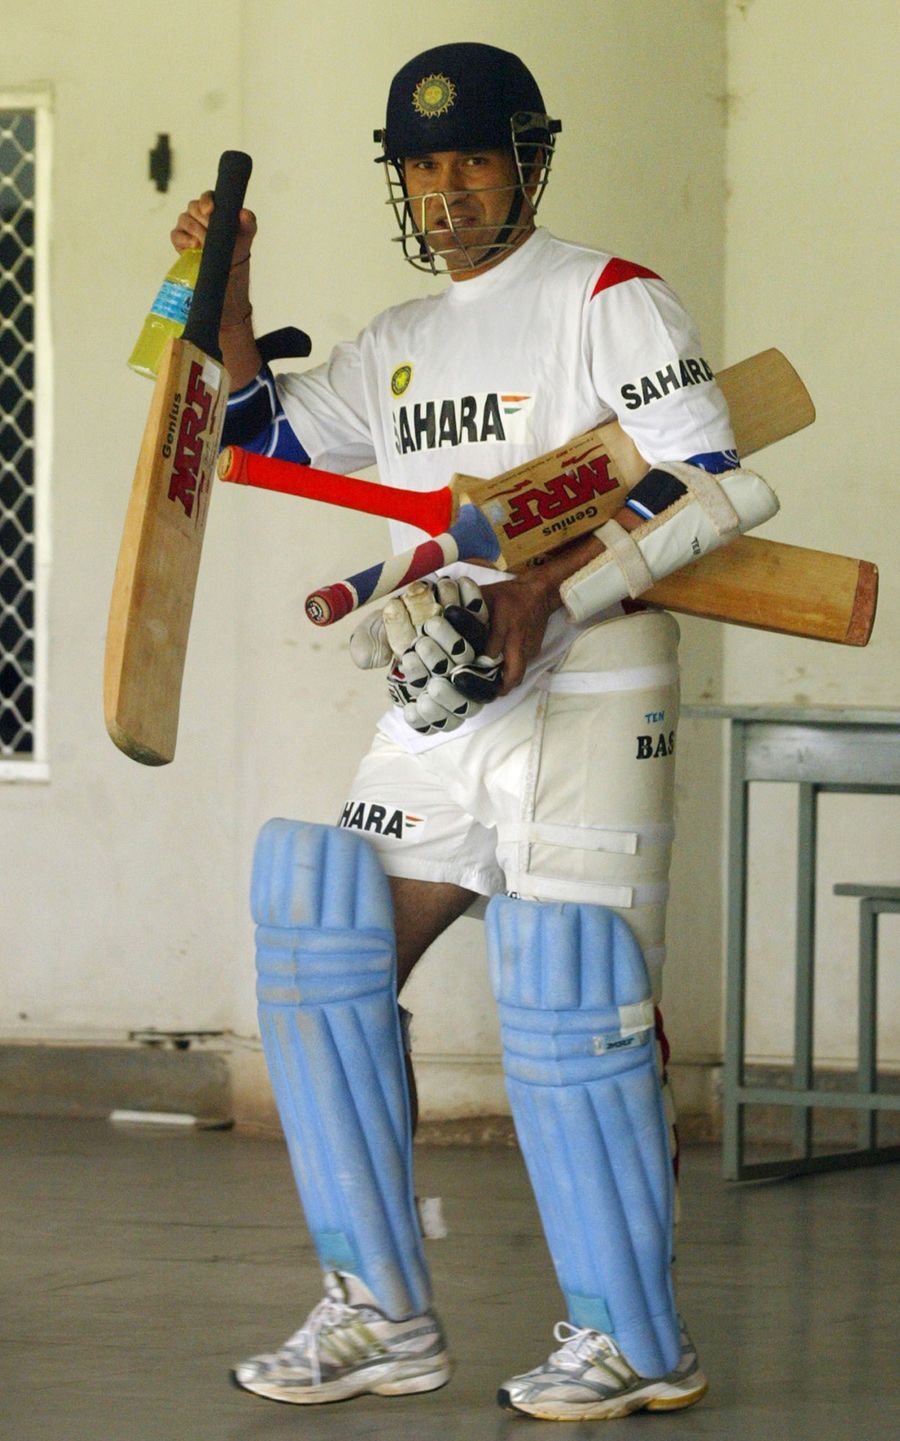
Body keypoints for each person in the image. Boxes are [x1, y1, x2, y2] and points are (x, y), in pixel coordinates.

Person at [173, 42, 774, 1423]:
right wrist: (233, 290)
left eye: (473, 160)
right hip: (445, 695)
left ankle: (634, 1337)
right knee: (321, 940)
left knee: (572, 988)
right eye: (422, 166)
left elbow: (715, 478)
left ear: (529, 161)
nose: (447, 191)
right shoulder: (396, 343)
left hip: (592, 676)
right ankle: (378, 1308)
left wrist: (543, 591)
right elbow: (257, 429)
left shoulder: (604, 297)